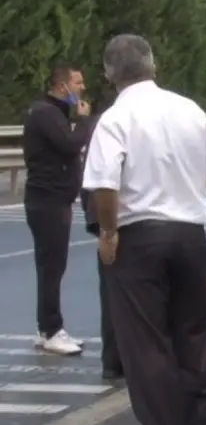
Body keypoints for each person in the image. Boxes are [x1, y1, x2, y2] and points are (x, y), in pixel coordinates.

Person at [83, 34, 206, 425]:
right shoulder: (189, 110)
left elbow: (104, 186)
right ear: (153, 65)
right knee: (192, 338)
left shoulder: (114, 119)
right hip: (190, 234)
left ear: (109, 75)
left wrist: (108, 233)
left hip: (139, 238)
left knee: (147, 348)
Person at [22, 62, 92, 356]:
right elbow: (69, 145)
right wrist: (86, 121)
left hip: (50, 199)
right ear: (62, 86)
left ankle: (44, 327)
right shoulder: (46, 113)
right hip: (48, 200)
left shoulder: (50, 112)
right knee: (52, 266)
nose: (82, 88)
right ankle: (52, 330)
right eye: (77, 83)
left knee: (49, 266)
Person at [79, 93, 123, 380]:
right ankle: (123, 361)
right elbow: (101, 185)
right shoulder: (111, 128)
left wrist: (98, 228)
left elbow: (88, 186)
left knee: (111, 296)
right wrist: (105, 230)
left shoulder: (99, 128)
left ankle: (113, 362)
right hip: (124, 225)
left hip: (108, 224)